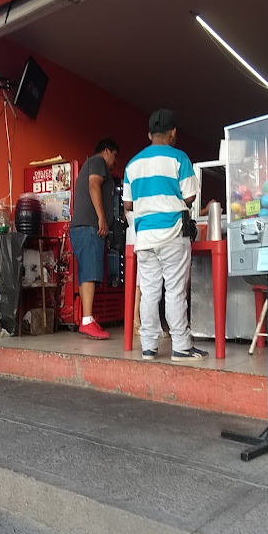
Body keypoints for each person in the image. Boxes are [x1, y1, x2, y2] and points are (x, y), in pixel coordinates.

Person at [123, 109, 209, 362]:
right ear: (173, 133)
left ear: (150, 134)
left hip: (145, 236)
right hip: (173, 232)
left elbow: (128, 204)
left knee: (149, 291)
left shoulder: (132, 163)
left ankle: (148, 347)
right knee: (174, 290)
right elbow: (191, 196)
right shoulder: (179, 158)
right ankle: (181, 346)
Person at [70, 138, 119, 339]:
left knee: (85, 273)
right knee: (90, 272)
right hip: (90, 227)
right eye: (114, 155)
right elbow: (94, 186)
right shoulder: (98, 162)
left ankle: (86, 318)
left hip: (80, 228)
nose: (115, 161)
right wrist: (101, 218)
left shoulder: (88, 164)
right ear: (106, 151)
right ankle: (88, 320)